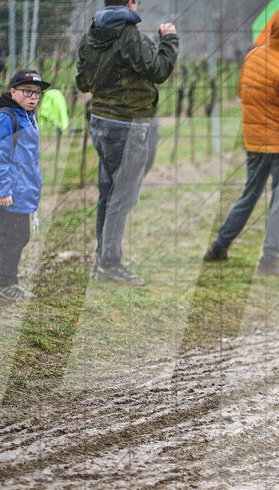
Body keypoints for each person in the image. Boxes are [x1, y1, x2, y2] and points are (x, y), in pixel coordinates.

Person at [76, 0, 178, 286]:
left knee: (108, 193)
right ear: (130, 2)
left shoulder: (92, 34)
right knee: (122, 197)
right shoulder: (129, 33)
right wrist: (168, 41)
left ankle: (104, 258)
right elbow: (158, 70)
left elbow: (82, 82)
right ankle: (109, 263)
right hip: (128, 125)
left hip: (100, 122)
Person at [203, 9, 279, 279]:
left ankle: (219, 246)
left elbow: (242, 93)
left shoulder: (252, 56)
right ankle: (269, 261)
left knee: (248, 196)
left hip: (254, 143)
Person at [0, 68, 49, 304]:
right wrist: (2, 190)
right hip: (11, 194)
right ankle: (6, 285)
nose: (33, 97)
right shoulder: (6, 119)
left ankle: (1, 284)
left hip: (22, 192)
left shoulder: (26, 117)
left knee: (9, 237)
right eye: (27, 92)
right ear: (13, 92)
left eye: (37, 94)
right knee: (17, 237)